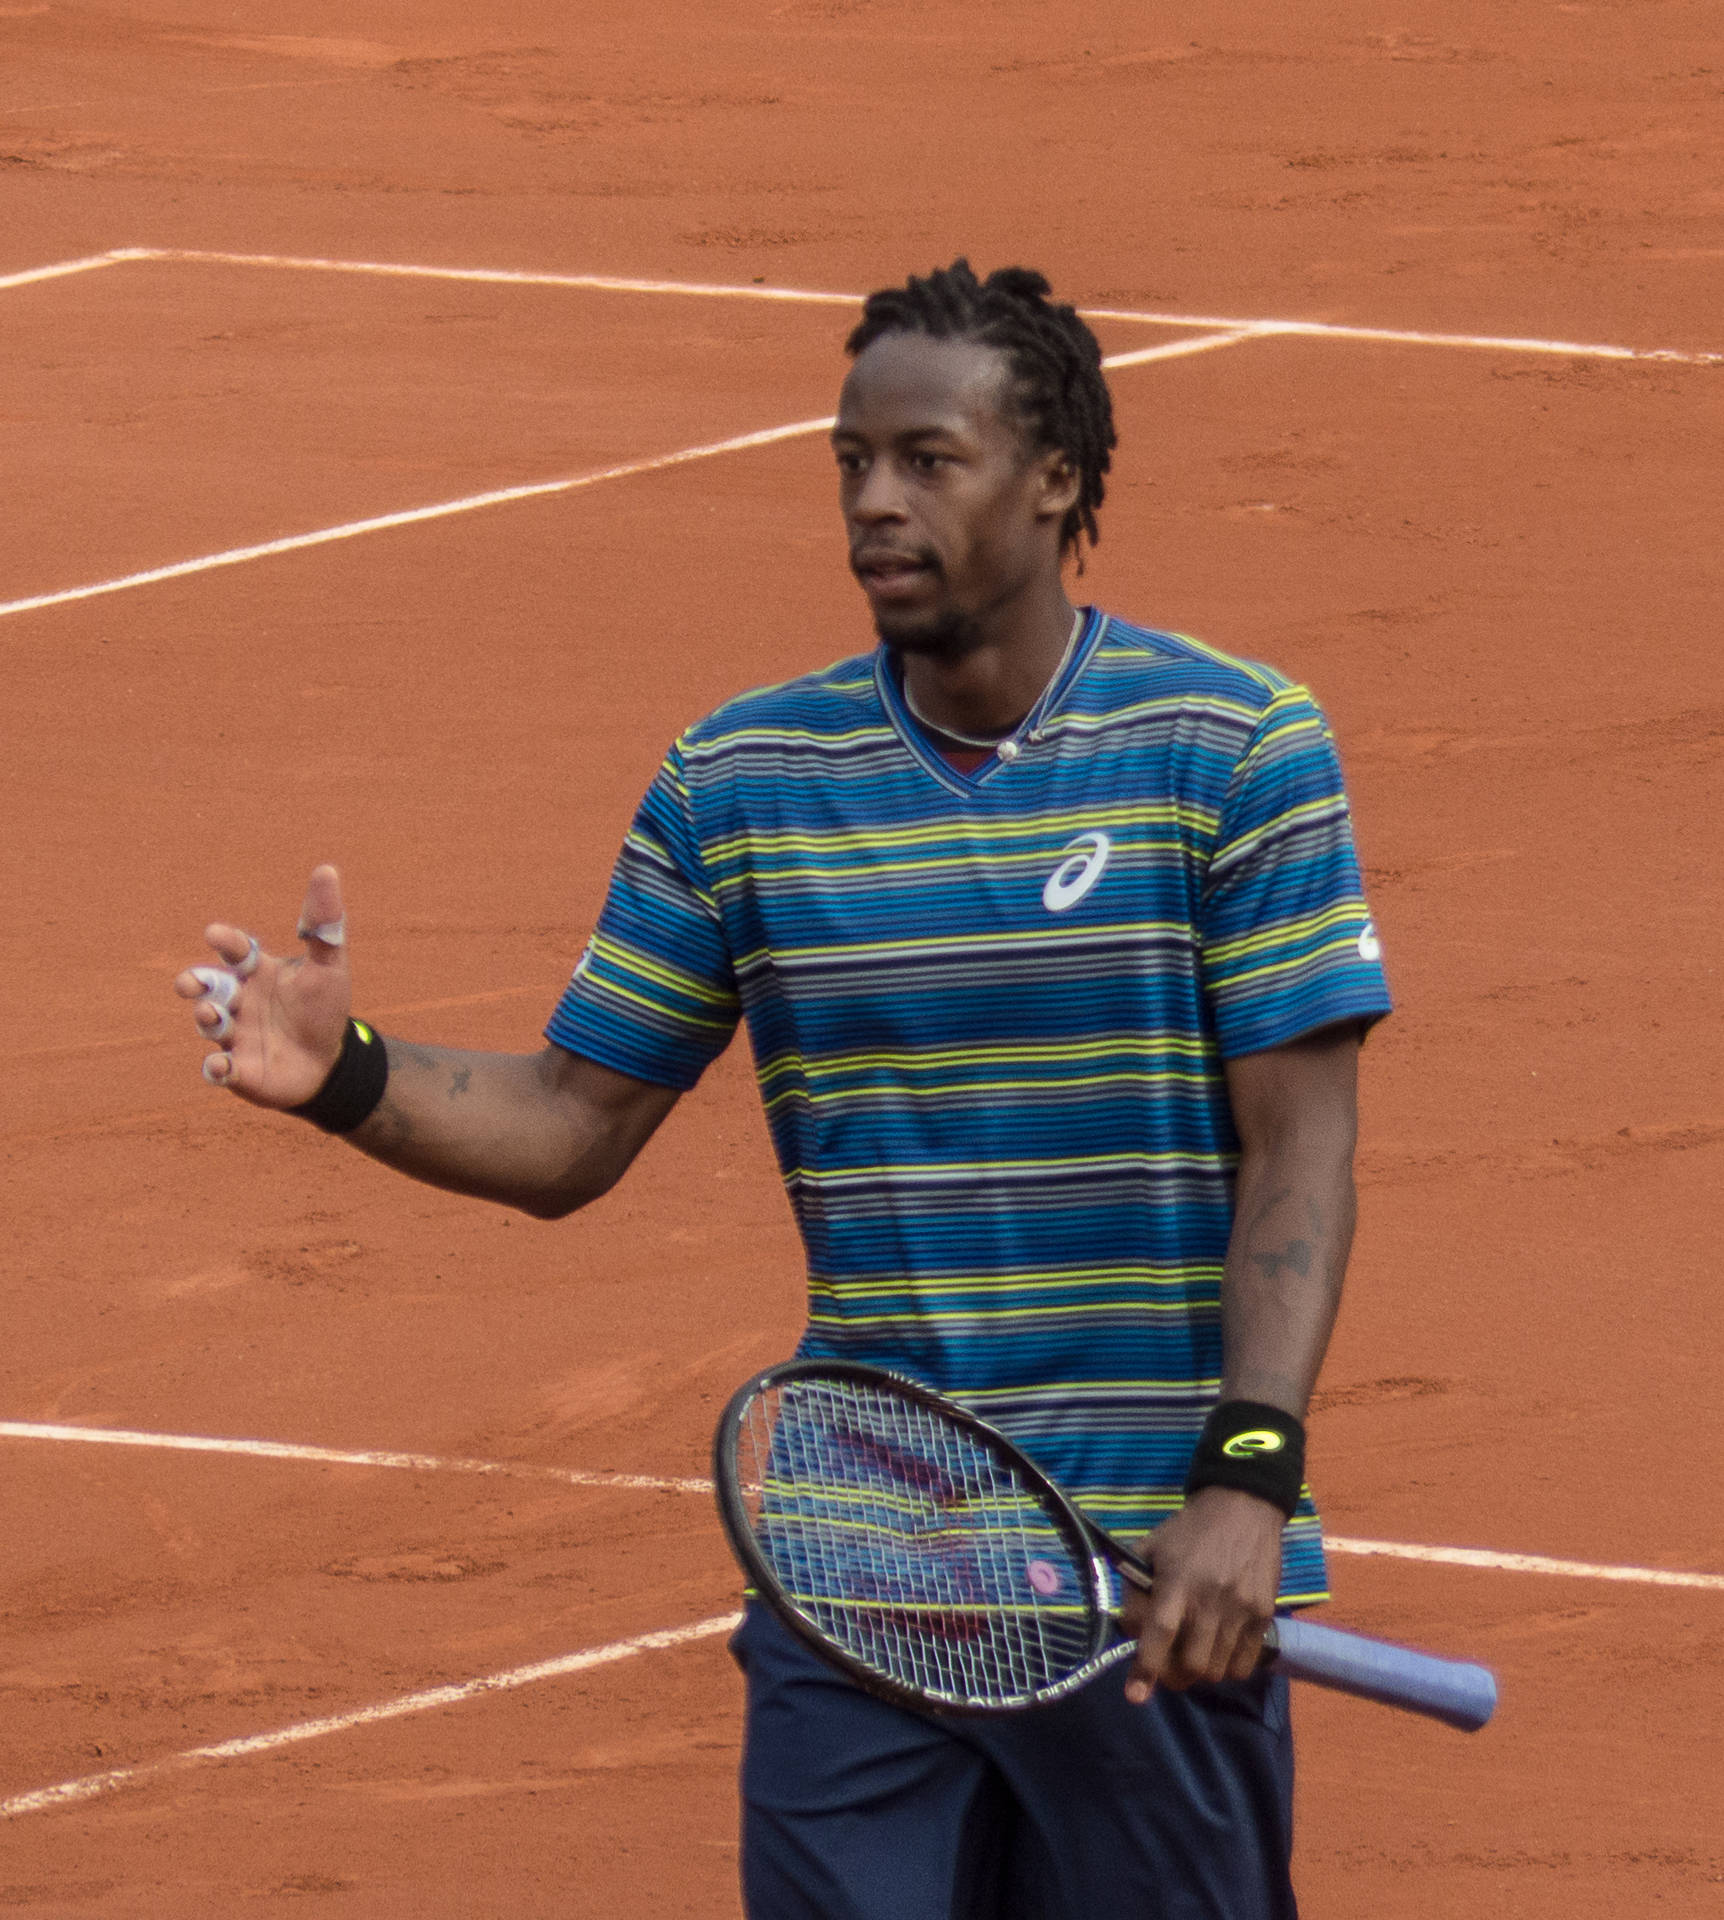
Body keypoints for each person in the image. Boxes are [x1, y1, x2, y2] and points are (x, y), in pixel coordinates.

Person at [177, 260, 1392, 1919]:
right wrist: (345, 1076)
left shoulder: (1234, 748)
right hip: (866, 1583)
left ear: (1055, 479)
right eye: (849, 462)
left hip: (1149, 1577)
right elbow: (568, 1126)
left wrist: (1245, 1478)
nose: (874, 504)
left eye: (926, 460)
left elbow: (1300, 1151)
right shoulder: (741, 781)